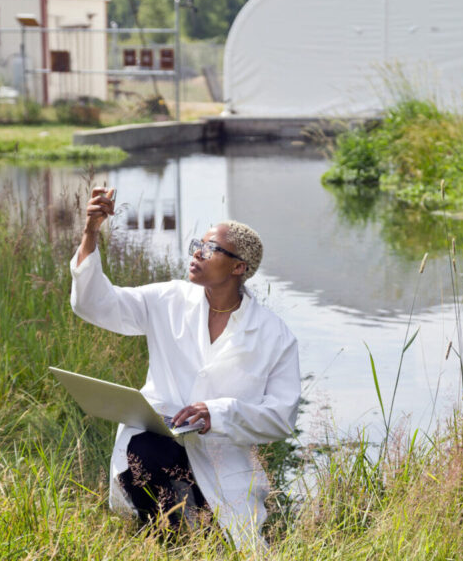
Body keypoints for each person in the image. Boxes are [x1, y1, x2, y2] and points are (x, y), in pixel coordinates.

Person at [69, 187, 301, 549]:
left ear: (239, 267)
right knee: (145, 449)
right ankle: (171, 542)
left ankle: (196, 537)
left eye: (211, 249)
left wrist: (219, 413)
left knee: (231, 541)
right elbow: (95, 304)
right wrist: (91, 233)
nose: (196, 253)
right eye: (197, 244)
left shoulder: (274, 335)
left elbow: (281, 418)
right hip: (155, 448)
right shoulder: (168, 298)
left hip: (223, 463)